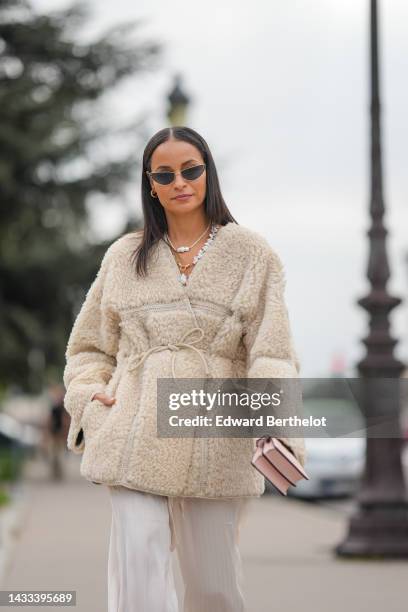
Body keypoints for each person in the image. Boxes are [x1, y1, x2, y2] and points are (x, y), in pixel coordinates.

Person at [63, 126, 306, 612]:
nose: (180, 181)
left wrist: (273, 422)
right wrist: (90, 400)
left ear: (207, 173)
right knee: (137, 570)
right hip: (132, 435)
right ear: (150, 183)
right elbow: (87, 348)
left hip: (214, 435)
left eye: (191, 169)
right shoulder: (123, 257)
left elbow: (271, 349)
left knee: (214, 585)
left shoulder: (251, 254)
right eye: (165, 173)